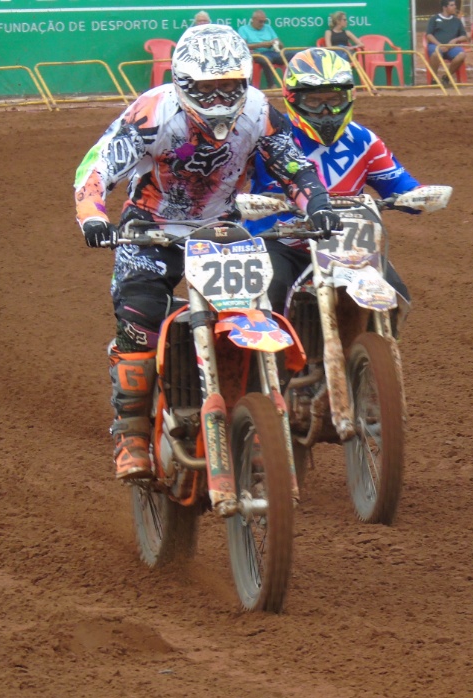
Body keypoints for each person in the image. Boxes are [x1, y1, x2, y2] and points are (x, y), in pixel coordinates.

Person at [73, 24, 341, 484]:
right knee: (140, 319)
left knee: (253, 313)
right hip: (150, 230)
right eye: (208, 89)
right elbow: (97, 167)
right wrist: (94, 217)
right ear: (184, 83)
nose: (219, 100)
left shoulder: (257, 110)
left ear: (245, 82)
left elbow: (292, 163)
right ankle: (132, 433)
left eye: (229, 87)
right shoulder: (153, 113)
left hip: (222, 230)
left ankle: (252, 421)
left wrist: (316, 202)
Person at [247, 48, 444, 332]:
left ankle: (369, 358)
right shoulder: (271, 140)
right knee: (270, 295)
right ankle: (268, 370)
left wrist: (418, 197)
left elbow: (401, 186)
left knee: (396, 294)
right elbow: (228, 180)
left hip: (346, 245)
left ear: (348, 98)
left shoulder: (363, 140)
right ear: (293, 99)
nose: (326, 111)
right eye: (314, 101)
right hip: (281, 242)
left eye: (334, 100)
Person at [237, 10, 296, 78]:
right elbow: (243, 47)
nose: (262, 24)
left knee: (294, 55)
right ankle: (272, 85)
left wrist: (276, 43)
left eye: (264, 21)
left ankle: (295, 82)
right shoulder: (243, 29)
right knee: (266, 60)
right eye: (260, 21)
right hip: (257, 54)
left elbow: (281, 46)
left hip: (272, 53)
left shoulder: (268, 27)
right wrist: (262, 45)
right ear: (253, 20)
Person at [425, 0, 469, 86]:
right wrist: (439, 45)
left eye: (454, 5)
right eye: (452, 5)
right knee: (435, 54)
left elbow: (465, 37)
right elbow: (429, 35)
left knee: (462, 55)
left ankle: (447, 77)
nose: (455, 7)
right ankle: (434, 79)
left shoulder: (457, 21)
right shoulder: (434, 19)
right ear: (445, 7)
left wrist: (455, 41)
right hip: (436, 46)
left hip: (451, 48)